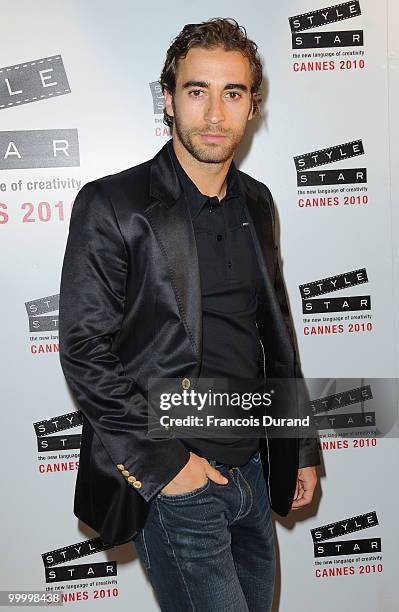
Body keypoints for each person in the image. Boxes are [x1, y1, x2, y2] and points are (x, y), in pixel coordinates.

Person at [59, 17, 320, 612]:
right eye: (196, 90)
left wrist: (298, 446)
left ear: (252, 106)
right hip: (180, 477)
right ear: (169, 100)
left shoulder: (258, 200)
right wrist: (169, 468)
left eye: (233, 93)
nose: (214, 113)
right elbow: (84, 348)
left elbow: (275, 333)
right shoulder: (113, 204)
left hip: (253, 466)